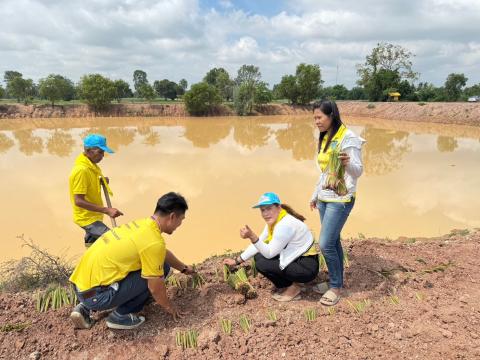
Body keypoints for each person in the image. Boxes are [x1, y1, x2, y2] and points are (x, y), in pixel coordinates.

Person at [69, 192, 195, 330]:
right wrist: (170, 307)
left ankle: (85, 306)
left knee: (160, 266)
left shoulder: (142, 225)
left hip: (81, 285)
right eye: (181, 220)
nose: (180, 224)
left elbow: (161, 253)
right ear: (172, 217)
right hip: (96, 295)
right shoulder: (153, 242)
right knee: (155, 277)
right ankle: (120, 316)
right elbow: (155, 287)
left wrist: (183, 268)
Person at [309, 100, 365, 306]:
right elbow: (324, 172)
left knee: (325, 244)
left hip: (340, 199)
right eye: (314, 118)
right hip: (325, 198)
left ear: (331, 115)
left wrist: (348, 163)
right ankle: (337, 282)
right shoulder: (325, 138)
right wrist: (315, 195)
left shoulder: (348, 138)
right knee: (333, 241)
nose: (316, 122)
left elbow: (358, 171)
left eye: (319, 117)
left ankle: (335, 288)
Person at [223, 192, 319, 302]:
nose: (265, 213)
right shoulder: (275, 221)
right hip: (297, 259)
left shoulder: (285, 225)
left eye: (269, 208)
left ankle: (296, 286)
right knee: (259, 257)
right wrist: (236, 261)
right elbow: (259, 244)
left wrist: (252, 236)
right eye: (263, 210)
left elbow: (269, 253)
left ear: (278, 207)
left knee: (262, 263)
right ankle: (290, 284)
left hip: (306, 267)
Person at [69, 134, 123, 246]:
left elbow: (87, 185)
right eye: (100, 152)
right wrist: (107, 210)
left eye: (103, 152)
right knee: (114, 240)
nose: (103, 155)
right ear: (88, 151)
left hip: (94, 216)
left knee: (94, 245)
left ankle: (91, 259)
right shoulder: (82, 170)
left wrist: (100, 181)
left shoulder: (91, 166)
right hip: (87, 219)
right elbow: (78, 201)